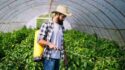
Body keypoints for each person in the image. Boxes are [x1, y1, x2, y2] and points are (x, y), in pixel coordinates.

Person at [38, 5, 72, 70]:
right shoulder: (46, 25)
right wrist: (49, 44)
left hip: (58, 58)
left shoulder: (61, 27)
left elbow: (62, 43)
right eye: (63, 16)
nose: (64, 19)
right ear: (57, 14)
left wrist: (65, 56)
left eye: (65, 17)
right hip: (49, 57)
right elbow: (40, 40)